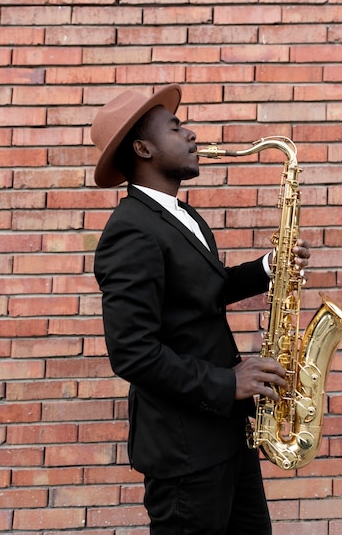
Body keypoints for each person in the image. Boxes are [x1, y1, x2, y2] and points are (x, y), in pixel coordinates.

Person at [91, 83, 310, 535]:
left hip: (226, 436)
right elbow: (132, 352)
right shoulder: (130, 232)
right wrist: (228, 381)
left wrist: (272, 265)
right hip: (185, 454)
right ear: (142, 147)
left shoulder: (182, 216)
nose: (191, 134)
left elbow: (202, 292)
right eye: (175, 127)